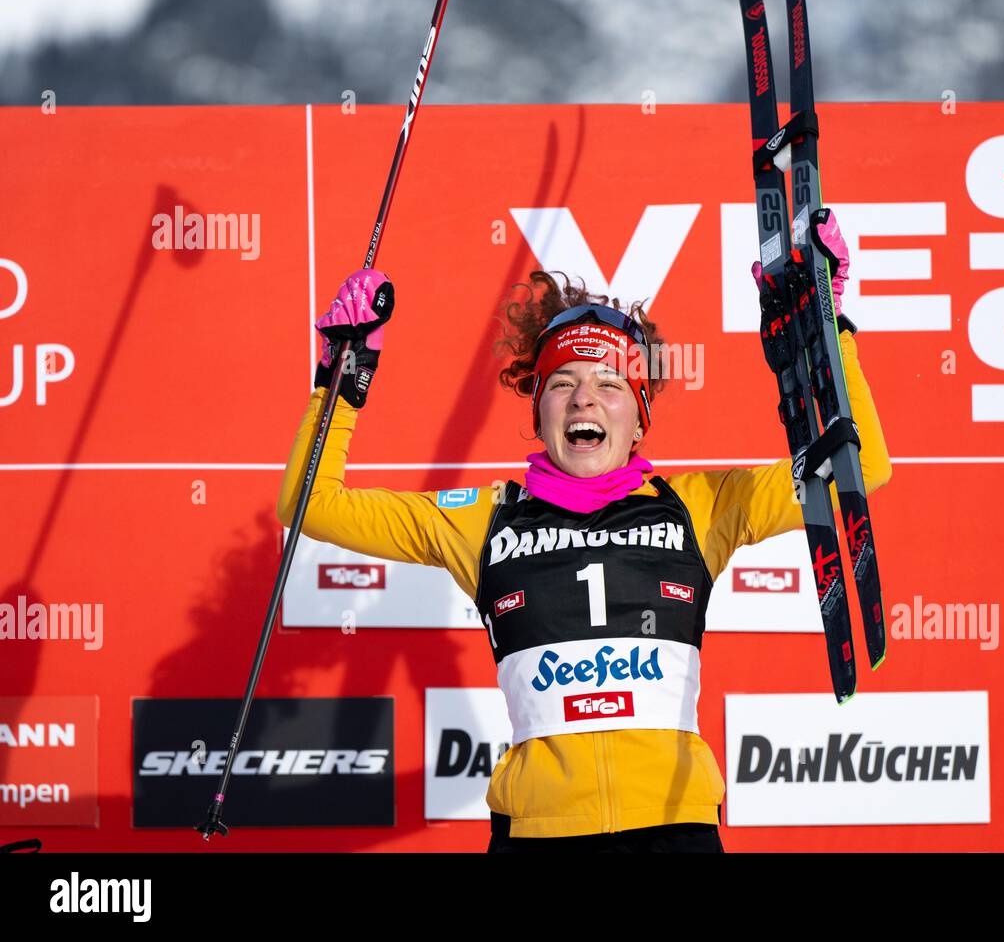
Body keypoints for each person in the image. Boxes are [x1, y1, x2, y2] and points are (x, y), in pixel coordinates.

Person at [276, 209, 891, 852]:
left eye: (609, 384)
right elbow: (309, 502)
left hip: (673, 825)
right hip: (539, 832)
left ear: (639, 416)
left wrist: (830, 326)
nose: (584, 400)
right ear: (539, 410)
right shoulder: (484, 520)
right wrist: (341, 378)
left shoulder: (703, 505)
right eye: (562, 384)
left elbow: (863, 465)